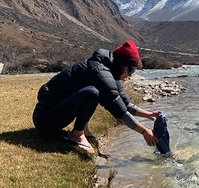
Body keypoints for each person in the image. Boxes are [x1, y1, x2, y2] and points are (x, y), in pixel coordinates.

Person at [33, 40, 161, 154]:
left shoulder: (110, 71)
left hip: (52, 113)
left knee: (90, 91)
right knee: (92, 93)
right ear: (122, 64)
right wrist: (144, 132)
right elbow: (119, 111)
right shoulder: (100, 73)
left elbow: (126, 105)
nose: (130, 75)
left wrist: (149, 115)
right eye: (130, 70)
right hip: (45, 119)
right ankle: (76, 135)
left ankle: (83, 130)